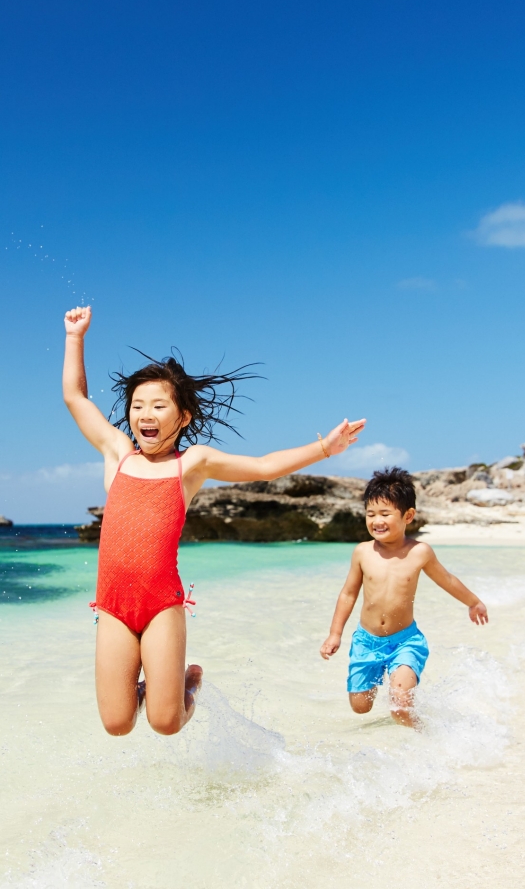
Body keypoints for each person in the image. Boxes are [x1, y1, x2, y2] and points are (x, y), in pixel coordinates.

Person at [63, 305, 365, 737]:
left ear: (183, 416)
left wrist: (324, 449)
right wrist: (75, 338)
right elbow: (75, 398)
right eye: (137, 406)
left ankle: (187, 683)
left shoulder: (191, 464)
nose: (145, 414)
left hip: (161, 605)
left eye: (159, 406)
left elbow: (262, 466)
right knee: (117, 724)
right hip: (113, 606)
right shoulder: (117, 454)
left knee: (165, 723)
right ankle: (158, 683)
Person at [320, 467, 488, 727]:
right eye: (370, 514)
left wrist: (473, 601)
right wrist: (335, 633)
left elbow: (448, 580)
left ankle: (425, 735)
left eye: (385, 514)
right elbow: (348, 594)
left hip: (405, 641)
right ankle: (393, 693)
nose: (377, 521)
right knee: (360, 707)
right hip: (367, 641)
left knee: (399, 706)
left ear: (408, 516)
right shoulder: (362, 553)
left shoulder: (420, 552)